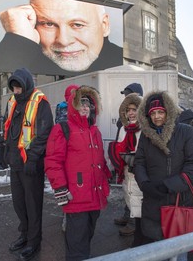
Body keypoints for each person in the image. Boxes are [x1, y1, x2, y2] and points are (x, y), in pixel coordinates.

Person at [44, 85, 112, 261]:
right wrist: (60, 189)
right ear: (73, 106)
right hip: (76, 197)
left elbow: (99, 161)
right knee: (76, 247)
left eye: (88, 104)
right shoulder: (62, 129)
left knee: (87, 238)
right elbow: (53, 162)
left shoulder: (95, 131)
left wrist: (106, 179)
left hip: (95, 197)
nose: (84, 107)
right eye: (81, 103)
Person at [134, 90, 193, 259]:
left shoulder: (186, 132)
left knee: (179, 251)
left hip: (180, 201)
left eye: (161, 112)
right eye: (153, 113)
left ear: (168, 112)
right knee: (157, 250)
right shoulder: (145, 135)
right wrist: (145, 184)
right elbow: (139, 162)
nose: (157, 117)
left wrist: (169, 185)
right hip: (154, 203)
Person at [0, 68, 54, 261]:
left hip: (31, 165)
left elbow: (44, 133)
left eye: (19, 86)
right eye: (13, 86)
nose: (16, 90)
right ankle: (24, 234)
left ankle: (33, 241)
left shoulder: (40, 102)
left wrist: (33, 158)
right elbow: (6, 127)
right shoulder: (12, 101)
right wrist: (1, 151)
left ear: (27, 84)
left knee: (33, 204)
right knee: (19, 203)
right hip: (15, 163)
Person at [0, 0, 122, 76]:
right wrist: (17, 39)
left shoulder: (121, 68)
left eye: (77, 25)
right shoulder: (29, 58)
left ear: (104, 25)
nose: (63, 40)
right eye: (48, 24)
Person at [108, 93, 146, 246]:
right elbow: (119, 145)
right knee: (128, 195)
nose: (130, 113)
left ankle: (137, 227)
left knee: (139, 198)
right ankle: (133, 221)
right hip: (126, 169)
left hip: (140, 171)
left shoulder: (145, 128)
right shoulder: (124, 128)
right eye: (128, 110)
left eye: (134, 109)